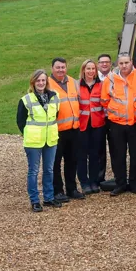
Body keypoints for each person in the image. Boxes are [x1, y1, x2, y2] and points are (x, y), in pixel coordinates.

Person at [102, 53, 136, 196]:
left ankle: (135, 183)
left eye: (126, 63)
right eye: (121, 63)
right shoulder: (110, 78)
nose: (124, 66)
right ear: (117, 64)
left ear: (132, 62)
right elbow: (104, 100)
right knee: (118, 155)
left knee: (135, 155)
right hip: (116, 124)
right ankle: (120, 184)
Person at [19, 70, 61, 212]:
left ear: (46, 82)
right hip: (33, 141)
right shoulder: (26, 99)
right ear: (33, 82)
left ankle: (49, 198)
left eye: (43, 80)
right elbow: (20, 121)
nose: (41, 83)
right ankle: (35, 200)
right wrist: (30, 133)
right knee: (34, 171)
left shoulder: (54, 97)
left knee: (49, 170)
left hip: (50, 140)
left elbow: (56, 115)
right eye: (38, 81)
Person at [48, 57, 81, 202]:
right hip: (57, 130)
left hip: (73, 129)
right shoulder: (47, 84)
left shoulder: (73, 82)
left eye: (63, 67)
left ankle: (72, 189)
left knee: (72, 161)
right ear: (52, 69)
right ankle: (57, 191)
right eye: (58, 67)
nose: (61, 70)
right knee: (55, 163)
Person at [76, 59, 105, 195]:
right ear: (83, 70)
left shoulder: (101, 85)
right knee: (81, 155)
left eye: (93, 69)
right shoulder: (77, 86)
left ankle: (94, 181)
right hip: (82, 125)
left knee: (94, 154)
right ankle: (84, 182)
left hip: (97, 124)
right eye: (88, 69)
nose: (91, 71)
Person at [95, 53, 113, 183]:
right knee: (99, 149)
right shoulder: (93, 78)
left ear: (110, 64)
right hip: (99, 117)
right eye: (102, 62)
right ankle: (99, 178)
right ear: (98, 64)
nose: (104, 64)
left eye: (107, 62)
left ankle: (118, 176)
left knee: (116, 148)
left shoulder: (116, 77)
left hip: (113, 118)